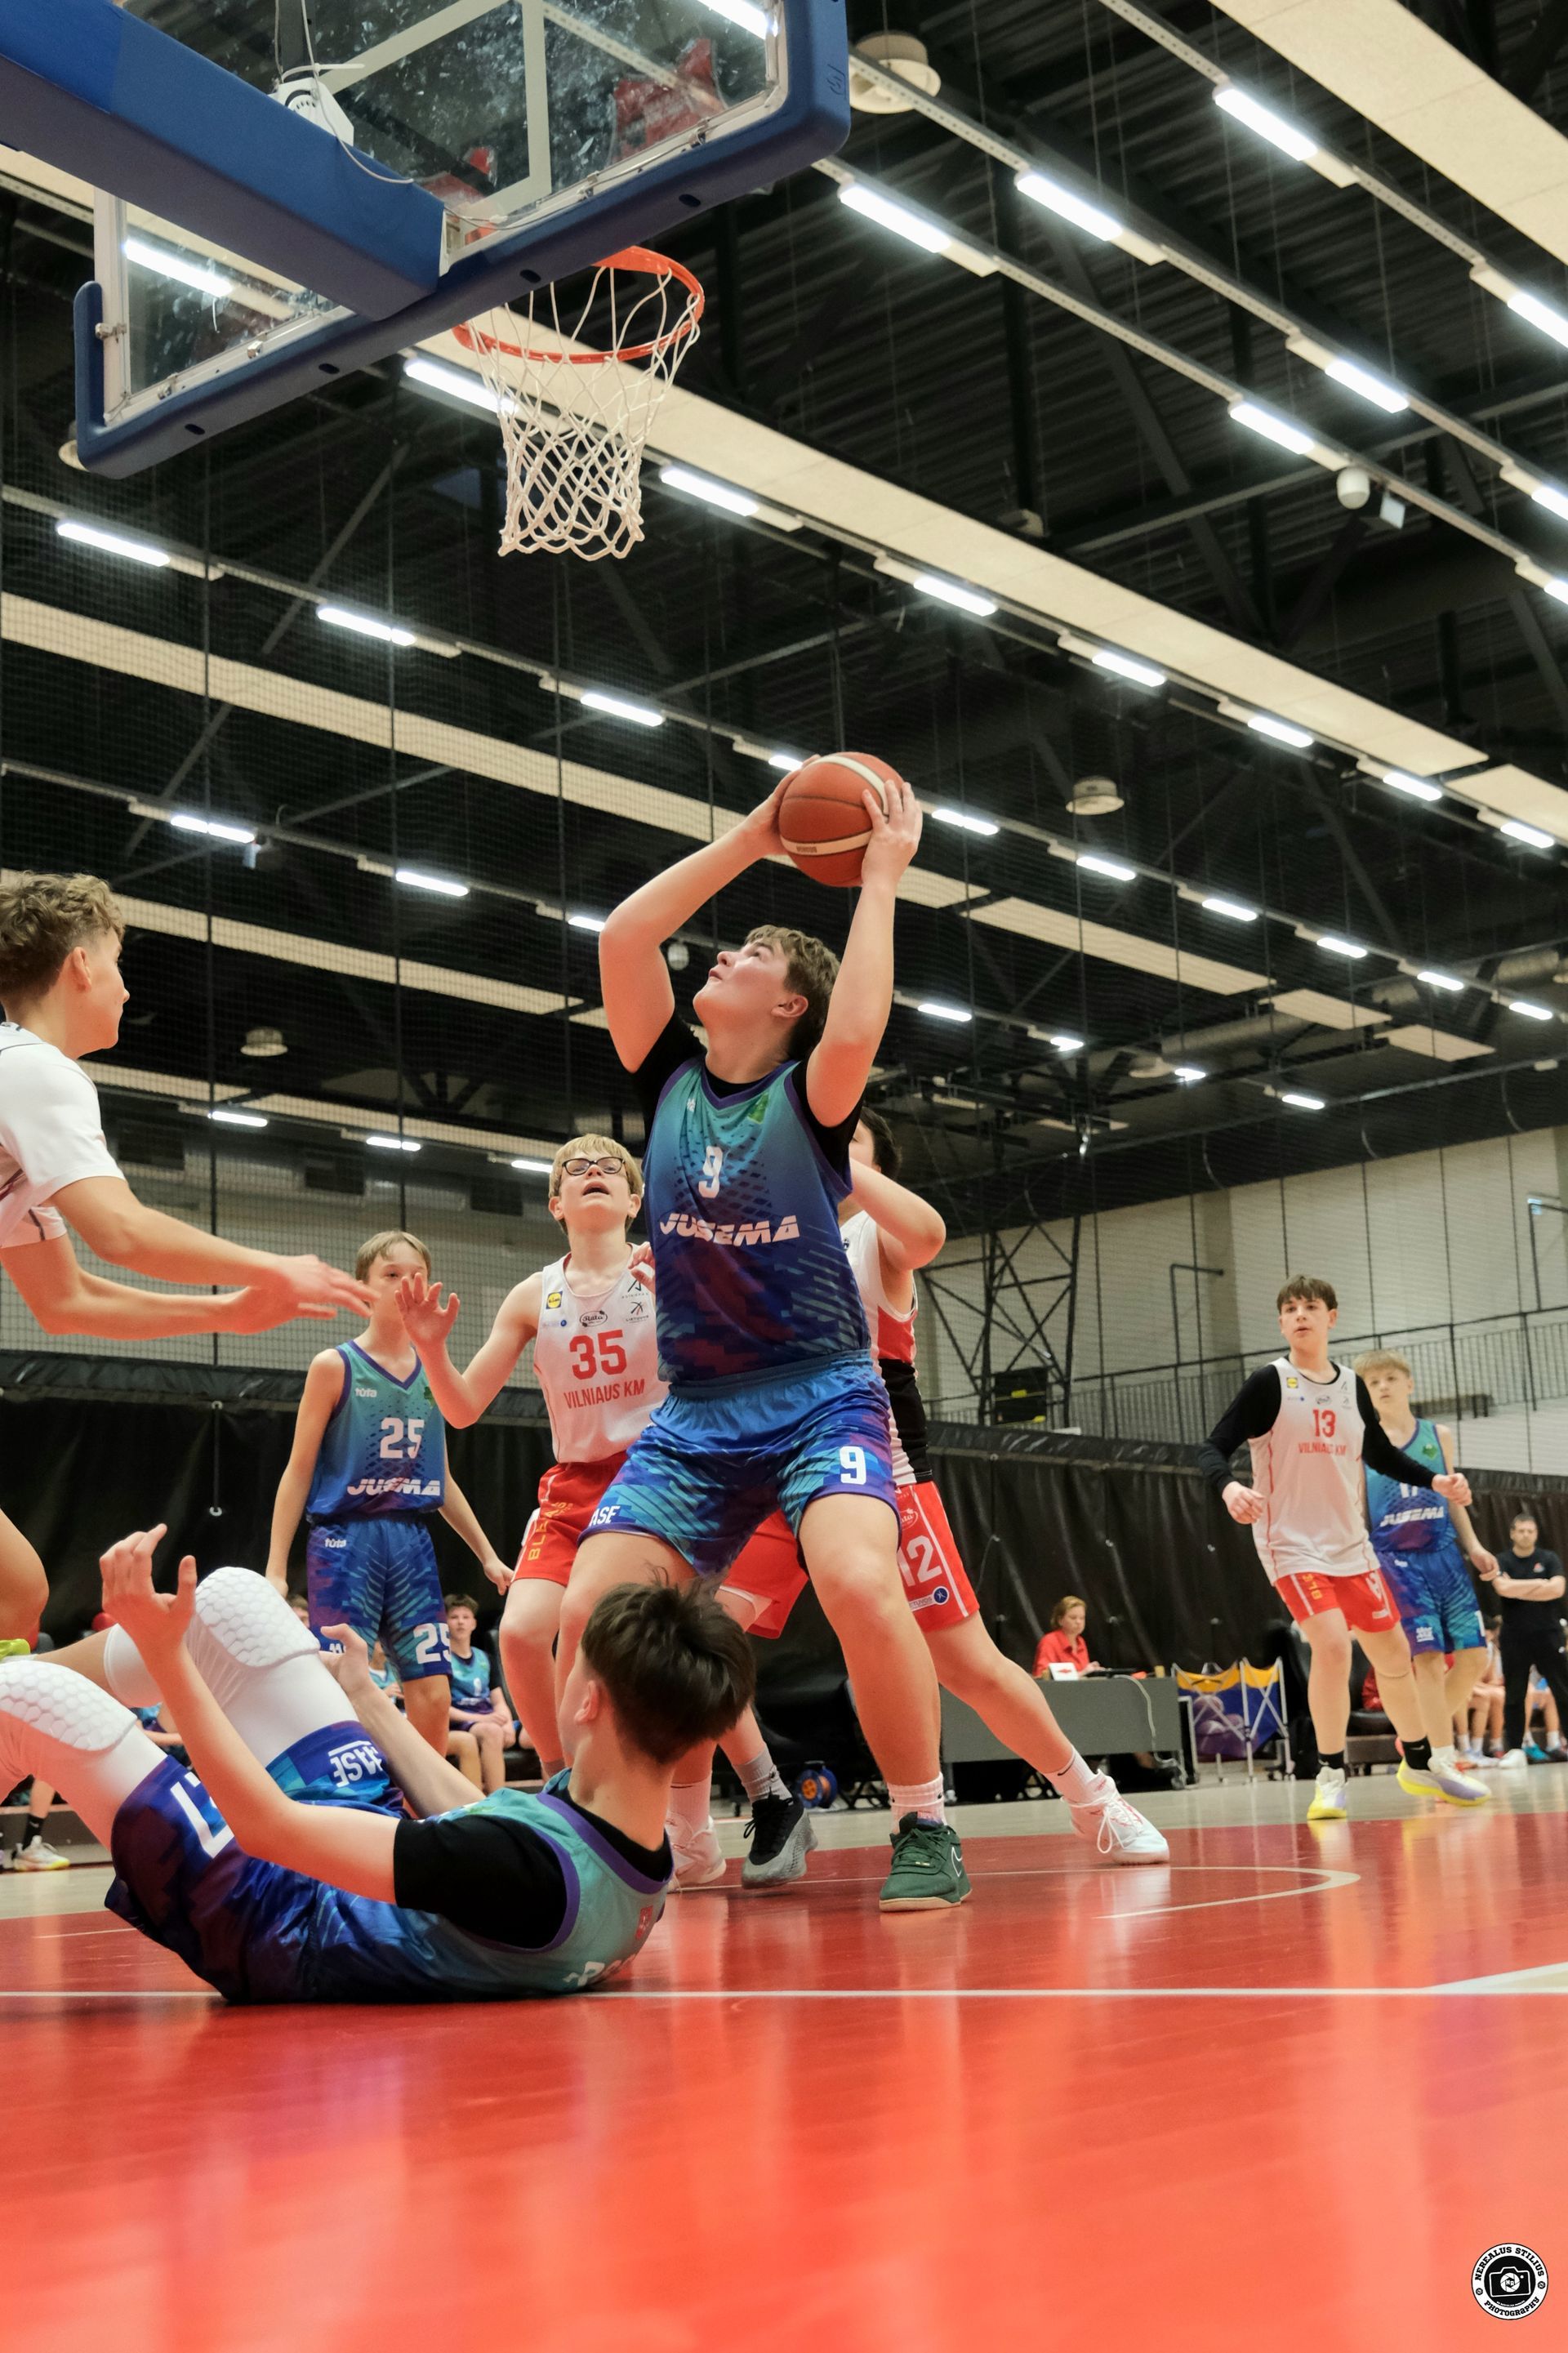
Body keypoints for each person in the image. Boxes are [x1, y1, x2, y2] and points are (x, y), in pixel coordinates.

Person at [559, 769, 965, 1912]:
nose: (722, 957)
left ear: (789, 1005)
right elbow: (625, 934)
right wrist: (752, 835)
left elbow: (862, 1019)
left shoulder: (814, 1099)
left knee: (857, 1580)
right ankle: (602, 1828)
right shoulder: (667, 1080)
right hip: (697, 1408)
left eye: (749, 955)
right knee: (588, 1612)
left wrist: (879, 877)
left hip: (822, 1392)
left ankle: (924, 1821)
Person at [0, 1526, 755, 2003]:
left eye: (569, 1664)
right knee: (233, 1602)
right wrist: (367, 1699)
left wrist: (167, 1658)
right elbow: (484, 1819)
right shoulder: (631, 1834)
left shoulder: (522, 1871)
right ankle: (29, 1660)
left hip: (273, 1915)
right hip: (357, 1855)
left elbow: (267, 1829)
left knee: (30, 1701)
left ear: (588, 1702)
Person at [705, 1110, 1167, 1868]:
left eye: (843, 1133)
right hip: (779, 1470)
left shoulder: (874, 1235)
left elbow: (926, 1234)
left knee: (966, 1662)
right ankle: (762, 1800)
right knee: (702, 1639)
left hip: (877, 1470)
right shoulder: (763, 1243)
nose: (818, 1137)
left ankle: (1091, 1796)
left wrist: (835, 1158)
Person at [397, 1136, 803, 1889]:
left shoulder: (670, 1266)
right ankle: (566, 1785)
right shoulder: (533, 1294)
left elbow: (742, 1351)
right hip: (578, 1482)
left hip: (666, 1470)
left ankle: (752, 1794)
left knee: (666, 1644)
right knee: (521, 1631)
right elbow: (462, 1407)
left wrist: (692, 1299)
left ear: (635, 1199)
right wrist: (430, 1348)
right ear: (555, 1203)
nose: (592, 1173)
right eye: (574, 1169)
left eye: (610, 1167)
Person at [0, 870, 370, 1641]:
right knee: (15, 1592)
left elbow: (64, 1301)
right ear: (80, 966)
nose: (127, 989)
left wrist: (228, 1313)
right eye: (118, 964)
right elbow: (122, 1232)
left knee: (16, 1591)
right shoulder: (35, 1069)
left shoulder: (19, 1088)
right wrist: (271, 1267)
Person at [1199, 1276, 1475, 1822]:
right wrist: (1228, 1487)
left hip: (1350, 1544)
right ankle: (1329, 1776)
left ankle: (1420, 1762)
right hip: (1291, 1543)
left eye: (1311, 1306)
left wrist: (1434, 1481)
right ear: (1282, 1322)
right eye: (1290, 1308)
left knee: (1393, 1655)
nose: (1300, 1314)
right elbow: (1212, 1446)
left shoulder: (1351, 1385)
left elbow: (1379, 1453)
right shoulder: (1271, 1382)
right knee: (1331, 1645)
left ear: (1332, 1317)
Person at [265, 1230, 511, 1757]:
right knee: (341, 1685)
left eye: (415, 1276)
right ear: (364, 1288)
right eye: (391, 1275)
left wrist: (488, 1555)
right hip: (344, 1542)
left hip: (410, 1544)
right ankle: (347, 1791)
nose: (404, 1286)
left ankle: (422, 1798)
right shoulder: (334, 1366)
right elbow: (298, 1470)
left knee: (433, 1694)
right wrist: (276, 1569)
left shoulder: (436, 1374)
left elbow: (442, 1480)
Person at [1356, 1349, 1494, 1806]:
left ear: (1409, 1384)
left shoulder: (1438, 1436)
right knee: (1429, 1660)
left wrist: (1474, 1545)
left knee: (1474, 1657)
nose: (1383, 1387)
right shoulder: (1361, 1443)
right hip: (1396, 1560)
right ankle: (1441, 1759)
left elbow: (1453, 1496)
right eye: (1373, 1382)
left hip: (1444, 1555)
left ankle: (1415, 1737)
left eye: (1391, 1378)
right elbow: (1360, 1510)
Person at [1477, 1511, 1568, 1768]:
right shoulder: (1502, 1560)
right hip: (1515, 1636)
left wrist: (1518, 1587)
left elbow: (1558, 1589)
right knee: (1515, 1694)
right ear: (1512, 1533)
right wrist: (1541, 1585)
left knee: (1563, 1690)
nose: (1526, 1535)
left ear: (1536, 1534)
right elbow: (1502, 1588)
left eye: (1530, 1531)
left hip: (1548, 1633)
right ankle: (1515, 1748)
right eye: (1521, 1531)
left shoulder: (1549, 1558)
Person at [444, 1594, 512, 1795]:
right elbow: (443, 1708)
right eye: (454, 1617)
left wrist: (507, 1723)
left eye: (466, 1617)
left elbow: (498, 1700)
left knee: (509, 1730)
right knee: (491, 1731)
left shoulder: (485, 1658)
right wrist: (483, 1719)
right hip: (460, 1721)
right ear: (445, 1623)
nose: (460, 1622)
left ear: (474, 1623)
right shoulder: (442, 1660)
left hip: (488, 1718)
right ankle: (497, 1799)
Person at [1034, 1598, 1099, 1678]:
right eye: (1073, 1618)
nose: (1079, 1622)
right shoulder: (1049, 1641)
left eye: (1082, 1618)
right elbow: (1043, 1676)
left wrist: (1093, 1671)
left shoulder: (1080, 1641)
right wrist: (1082, 1673)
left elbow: (1083, 1675)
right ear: (1060, 1620)